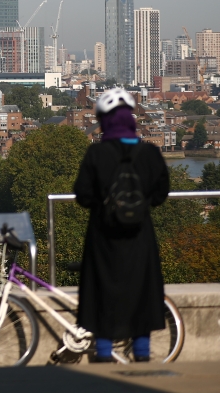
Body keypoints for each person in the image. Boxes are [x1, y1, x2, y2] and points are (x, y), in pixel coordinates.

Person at [74, 87, 170, 362]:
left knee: (102, 292)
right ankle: (141, 355)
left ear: (104, 120)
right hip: (140, 237)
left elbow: (82, 195)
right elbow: (161, 193)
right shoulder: (149, 153)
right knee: (141, 291)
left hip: (103, 237)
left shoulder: (97, 154)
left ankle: (104, 355)